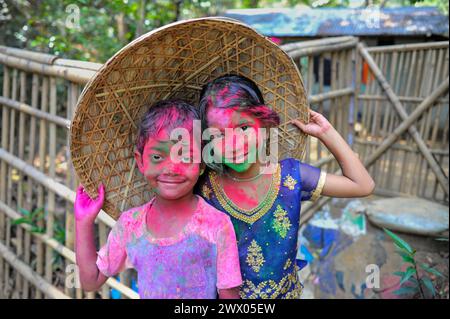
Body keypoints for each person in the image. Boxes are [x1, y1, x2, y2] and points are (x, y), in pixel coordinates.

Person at [196, 74, 375, 299]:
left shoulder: (291, 176)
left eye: (243, 128)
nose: (234, 144)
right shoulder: (204, 189)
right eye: (219, 135)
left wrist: (326, 133)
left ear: (264, 123)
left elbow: (362, 184)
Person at [74, 100, 242, 299]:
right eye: (157, 157)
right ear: (140, 161)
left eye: (185, 157)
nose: (171, 168)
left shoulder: (216, 225)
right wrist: (83, 222)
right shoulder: (130, 224)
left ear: (202, 164)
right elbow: (90, 280)